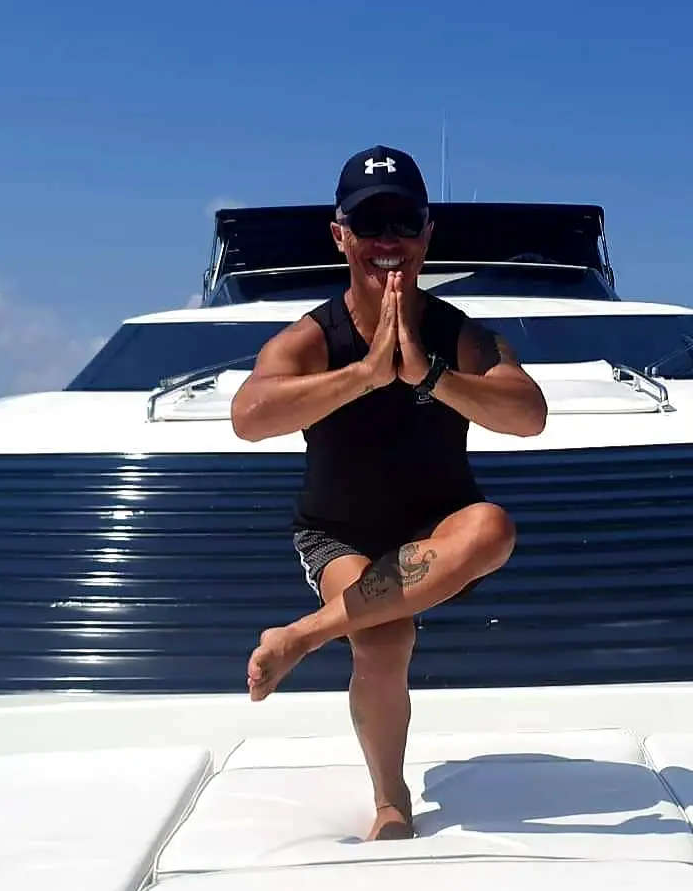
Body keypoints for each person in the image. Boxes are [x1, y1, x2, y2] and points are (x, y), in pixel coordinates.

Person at [229, 144, 549, 840]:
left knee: (492, 526)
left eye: (403, 225)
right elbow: (249, 418)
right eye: (370, 225)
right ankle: (390, 799)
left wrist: (427, 375)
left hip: (439, 533)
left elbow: (528, 414)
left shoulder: (456, 335)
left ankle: (300, 638)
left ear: (426, 235)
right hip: (340, 534)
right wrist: (366, 375)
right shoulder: (310, 339)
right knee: (381, 634)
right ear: (340, 234)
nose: (387, 243)